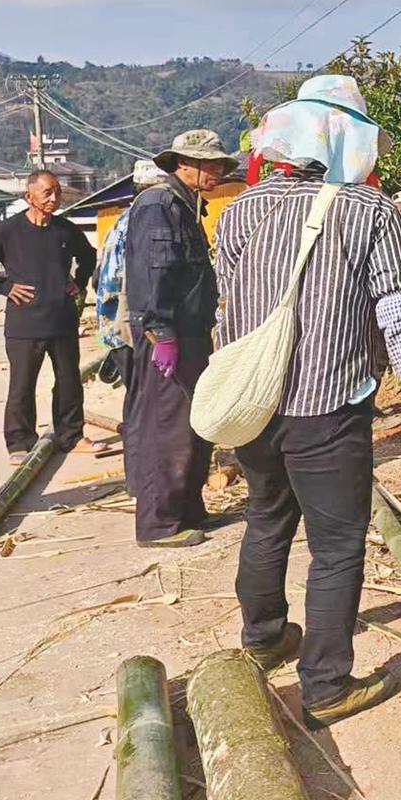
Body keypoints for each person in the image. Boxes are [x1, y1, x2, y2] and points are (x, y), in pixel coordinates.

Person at [217, 75, 401, 728]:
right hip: (328, 404)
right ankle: (325, 685)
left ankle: (263, 637)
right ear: (351, 139)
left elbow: (228, 298)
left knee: (266, 519)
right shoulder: (369, 211)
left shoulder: (242, 210)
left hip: (254, 405)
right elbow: (400, 311)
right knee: (338, 544)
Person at [123, 131, 235, 549]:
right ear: (183, 163)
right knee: (167, 427)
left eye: (219, 163)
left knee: (192, 425)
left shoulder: (187, 205)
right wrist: (161, 332)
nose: (217, 170)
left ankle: (188, 509)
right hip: (168, 335)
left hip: (190, 332)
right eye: (210, 163)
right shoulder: (160, 205)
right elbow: (156, 272)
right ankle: (158, 524)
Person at [0, 170, 97, 463]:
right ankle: (19, 442)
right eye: (47, 192)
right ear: (29, 196)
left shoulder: (65, 230)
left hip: (62, 320)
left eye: (57, 191)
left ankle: (71, 436)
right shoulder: (9, 231)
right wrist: (3, 286)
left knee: (69, 382)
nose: (54, 197)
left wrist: (79, 281)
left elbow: (89, 255)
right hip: (25, 324)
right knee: (22, 386)